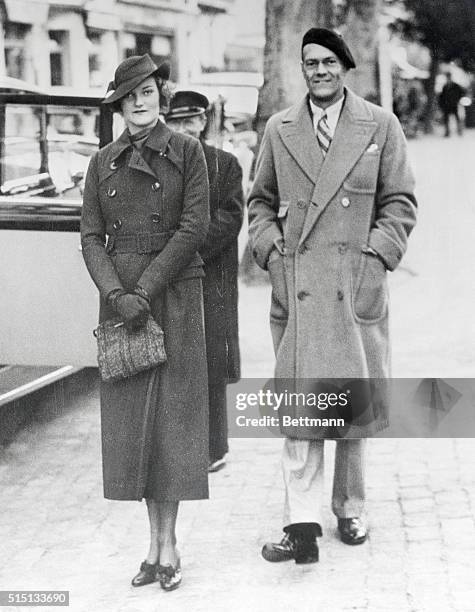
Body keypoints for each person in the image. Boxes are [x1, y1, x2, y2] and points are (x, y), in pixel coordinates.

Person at [248, 28, 417, 563]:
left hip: (354, 288)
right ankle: (301, 520)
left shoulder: (380, 126)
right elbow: (259, 203)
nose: (318, 71)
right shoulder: (280, 129)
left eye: (327, 62)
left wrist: (375, 258)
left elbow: (400, 203)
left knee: (350, 404)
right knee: (302, 406)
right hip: (299, 288)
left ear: (345, 67)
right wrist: (273, 253)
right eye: (309, 63)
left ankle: (350, 506)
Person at [80, 54, 210, 591]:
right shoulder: (102, 162)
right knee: (134, 426)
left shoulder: (187, 152)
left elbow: (194, 225)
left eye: (148, 92)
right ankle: (149, 545)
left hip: (174, 295)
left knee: (172, 426)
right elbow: (90, 235)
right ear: (118, 103)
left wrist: (145, 289)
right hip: (122, 305)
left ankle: (169, 544)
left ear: (161, 94)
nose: (139, 102)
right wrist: (116, 293)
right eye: (128, 96)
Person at [165, 90, 244, 472]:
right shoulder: (161, 164)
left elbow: (230, 218)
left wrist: (185, 253)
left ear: (203, 121)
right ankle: (178, 445)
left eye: (190, 121)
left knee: (213, 359)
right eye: (175, 122)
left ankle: (215, 447)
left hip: (210, 277)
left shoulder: (225, 164)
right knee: (175, 360)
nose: (184, 129)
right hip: (171, 279)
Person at [439, 72, 465, 137]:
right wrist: (442, 104)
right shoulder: (445, 86)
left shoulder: (456, 86)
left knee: (457, 118)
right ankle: (447, 132)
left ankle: (459, 131)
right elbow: (442, 96)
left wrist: (458, 100)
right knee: (446, 119)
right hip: (447, 105)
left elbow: (462, 93)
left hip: (454, 105)